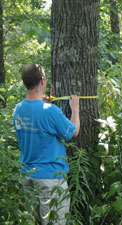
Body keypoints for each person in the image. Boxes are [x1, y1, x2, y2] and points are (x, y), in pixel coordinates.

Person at [13, 64, 80, 225]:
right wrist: (75, 108)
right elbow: (73, 132)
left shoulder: (19, 109)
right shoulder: (50, 111)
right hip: (50, 178)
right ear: (42, 81)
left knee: (31, 222)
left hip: (27, 176)